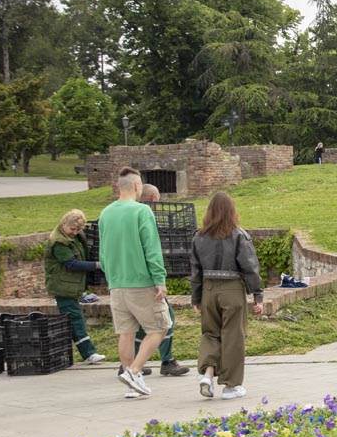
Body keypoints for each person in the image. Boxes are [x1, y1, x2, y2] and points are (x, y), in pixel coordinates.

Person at [98, 169, 170, 398]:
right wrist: (159, 279)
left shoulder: (105, 214)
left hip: (116, 282)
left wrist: (112, 277)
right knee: (159, 327)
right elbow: (152, 247)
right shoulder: (142, 211)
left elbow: (102, 253)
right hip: (140, 281)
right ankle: (134, 371)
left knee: (126, 333)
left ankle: (132, 383)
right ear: (138, 187)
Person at [189, 192, 263, 400]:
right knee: (233, 336)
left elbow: (195, 271)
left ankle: (207, 373)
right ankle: (231, 385)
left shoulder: (199, 236)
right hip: (232, 288)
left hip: (208, 289)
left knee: (210, 333)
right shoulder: (239, 235)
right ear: (232, 211)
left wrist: (195, 298)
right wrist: (257, 295)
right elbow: (250, 267)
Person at [134, 182, 189, 377]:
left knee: (140, 324)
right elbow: (152, 252)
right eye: (157, 201)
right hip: (147, 280)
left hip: (127, 281)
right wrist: (159, 279)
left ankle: (130, 362)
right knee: (168, 319)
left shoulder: (128, 216)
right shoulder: (145, 217)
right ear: (151, 200)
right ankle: (166, 361)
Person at [44, 209, 106, 366]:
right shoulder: (59, 242)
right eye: (72, 229)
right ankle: (89, 354)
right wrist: (97, 265)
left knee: (73, 319)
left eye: (78, 230)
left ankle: (87, 353)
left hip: (72, 285)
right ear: (64, 223)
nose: (75, 232)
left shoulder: (75, 236)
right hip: (63, 286)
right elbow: (71, 264)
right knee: (75, 319)